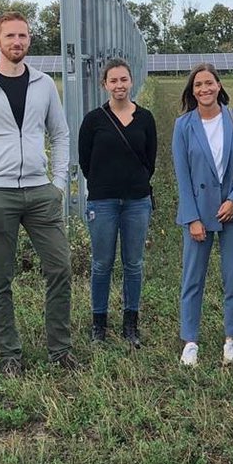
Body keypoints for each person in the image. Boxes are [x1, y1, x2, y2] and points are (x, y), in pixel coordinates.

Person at [0, 11, 76, 375]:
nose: (17, 42)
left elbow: (60, 134)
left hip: (41, 191)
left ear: (29, 40)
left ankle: (60, 349)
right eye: (10, 36)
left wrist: (57, 184)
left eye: (23, 36)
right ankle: (10, 353)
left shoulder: (43, 84)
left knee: (60, 267)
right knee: (0, 277)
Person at [172, 63, 233, 366]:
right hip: (199, 212)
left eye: (209, 83)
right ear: (192, 91)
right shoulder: (184, 125)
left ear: (219, 86)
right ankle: (190, 340)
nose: (204, 89)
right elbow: (182, 176)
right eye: (198, 85)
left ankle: (231, 338)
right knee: (192, 279)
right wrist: (192, 218)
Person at [78, 58, 157, 348]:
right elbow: (85, 160)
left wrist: (133, 183)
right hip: (103, 201)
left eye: (124, 79)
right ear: (105, 85)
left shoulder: (145, 118)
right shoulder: (93, 120)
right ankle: (99, 324)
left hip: (137, 200)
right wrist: (105, 184)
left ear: (131, 81)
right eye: (113, 81)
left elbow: (150, 159)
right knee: (102, 263)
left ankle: (130, 324)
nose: (119, 85)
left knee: (133, 263)